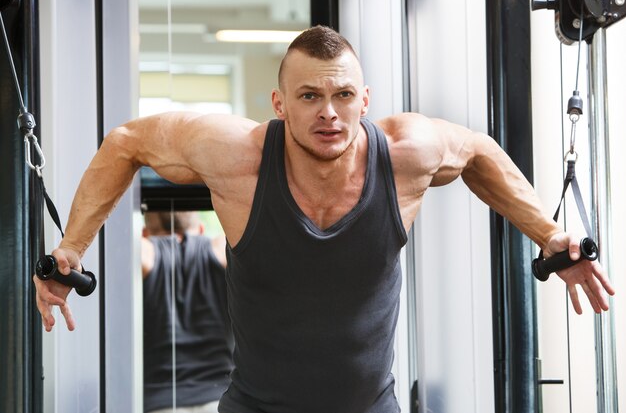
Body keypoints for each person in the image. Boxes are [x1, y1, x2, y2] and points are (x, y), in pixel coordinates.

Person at [33, 25, 615, 413]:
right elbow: (127, 142)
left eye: (342, 96)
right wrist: (73, 247)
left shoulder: (407, 152)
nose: (329, 114)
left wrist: (550, 236)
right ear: (279, 104)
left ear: (366, 99)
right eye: (309, 96)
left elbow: (479, 151)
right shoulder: (236, 156)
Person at [141, 211, 232, 413]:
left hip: (158, 406)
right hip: (220, 403)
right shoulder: (221, 250)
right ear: (201, 229)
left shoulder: (143, 254)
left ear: (145, 233)